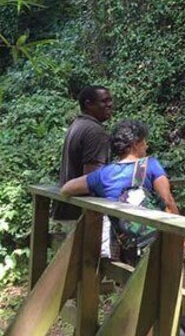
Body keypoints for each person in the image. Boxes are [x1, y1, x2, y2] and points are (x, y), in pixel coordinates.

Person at [60, 119, 179, 262]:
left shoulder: (104, 174)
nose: (146, 146)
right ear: (135, 144)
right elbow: (167, 199)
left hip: (121, 244)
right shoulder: (151, 165)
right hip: (152, 241)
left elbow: (67, 189)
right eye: (144, 141)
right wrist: (179, 236)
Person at [54, 85, 114, 257]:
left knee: (75, 266)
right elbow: (92, 179)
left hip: (73, 208)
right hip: (89, 214)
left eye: (110, 100)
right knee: (94, 266)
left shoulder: (77, 125)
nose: (110, 105)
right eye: (104, 101)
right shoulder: (95, 132)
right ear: (88, 104)